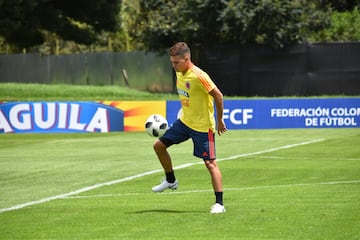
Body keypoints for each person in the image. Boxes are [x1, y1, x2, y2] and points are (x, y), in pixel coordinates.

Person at [151, 42, 227, 214]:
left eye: (176, 63)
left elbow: (218, 96)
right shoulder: (179, 74)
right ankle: (171, 180)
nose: (173, 66)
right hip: (185, 122)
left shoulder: (199, 76)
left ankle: (219, 204)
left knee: (210, 163)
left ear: (187, 59)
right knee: (159, 146)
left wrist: (220, 119)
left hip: (203, 127)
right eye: (171, 62)